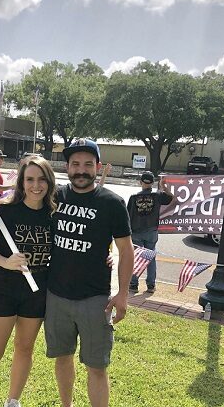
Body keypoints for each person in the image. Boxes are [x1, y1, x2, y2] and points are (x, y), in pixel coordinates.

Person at [45, 139, 134, 407]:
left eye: (87, 164)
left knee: (96, 366)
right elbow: (23, 199)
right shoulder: (55, 197)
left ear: (97, 166)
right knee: (63, 357)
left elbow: (126, 250)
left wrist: (122, 294)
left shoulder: (112, 203)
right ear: (67, 167)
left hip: (95, 300)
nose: (81, 170)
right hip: (56, 296)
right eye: (75, 164)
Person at [0, 156, 57, 407]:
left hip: (37, 291)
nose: (36, 185)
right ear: (21, 182)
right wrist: (5, 261)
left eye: (41, 179)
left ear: (50, 182)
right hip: (2, 290)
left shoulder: (55, 214)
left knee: (25, 348)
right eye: (29, 179)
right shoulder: (4, 210)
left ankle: (13, 401)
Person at [128, 171, 174, 294]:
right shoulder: (157, 196)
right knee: (151, 258)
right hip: (151, 231)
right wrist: (164, 187)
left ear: (140, 182)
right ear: (152, 183)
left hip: (136, 231)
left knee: (136, 258)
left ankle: (133, 284)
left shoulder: (133, 198)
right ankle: (151, 285)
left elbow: (128, 216)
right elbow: (171, 198)